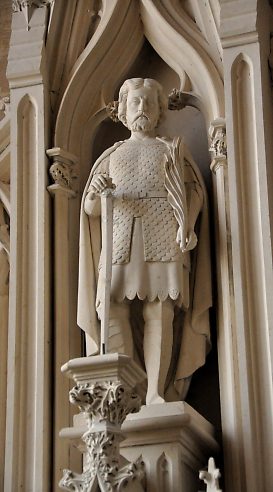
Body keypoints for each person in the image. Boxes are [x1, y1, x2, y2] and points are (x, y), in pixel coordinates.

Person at [77, 78, 212, 404]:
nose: (142, 108)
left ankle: (153, 391)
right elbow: (90, 209)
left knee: (160, 311)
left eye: (149, 102)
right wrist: (95, 194)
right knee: (112, 311)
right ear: (123, 111)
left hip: (163, 235)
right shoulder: (111, 156)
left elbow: (192, 193)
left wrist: (187, 224)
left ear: (159, 111)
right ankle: (129, 390)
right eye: (135, 102)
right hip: (120, 239)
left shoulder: (171, 151)